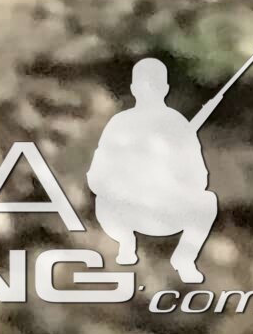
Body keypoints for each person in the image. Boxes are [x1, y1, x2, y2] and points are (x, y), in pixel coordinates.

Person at [87, 58, 219, 284]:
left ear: (165, 89)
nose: (148, 91)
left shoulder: (178, 125)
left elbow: (199, 178)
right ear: (133, 88)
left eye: (154, 85)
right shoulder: (120, 123)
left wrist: (172, 172)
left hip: (165, 210)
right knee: (104, 201)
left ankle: (184, 258)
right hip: (125, 210)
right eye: (144, 85)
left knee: (207, 201)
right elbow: (97, 176)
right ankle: (126, 244)